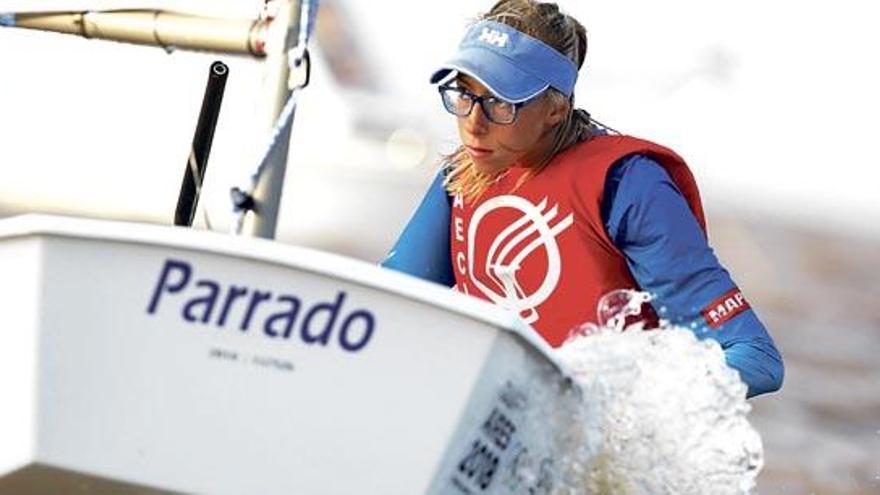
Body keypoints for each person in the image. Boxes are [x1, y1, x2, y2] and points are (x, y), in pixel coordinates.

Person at [381, 0, 783, 398]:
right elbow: (388, 305)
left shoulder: (629, 184)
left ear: (555, 108)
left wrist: (624, 401)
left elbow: (755, 358)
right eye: (463, 94)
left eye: (499, 102)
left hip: (596, 436)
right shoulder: (461, 176)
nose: (473, 123)